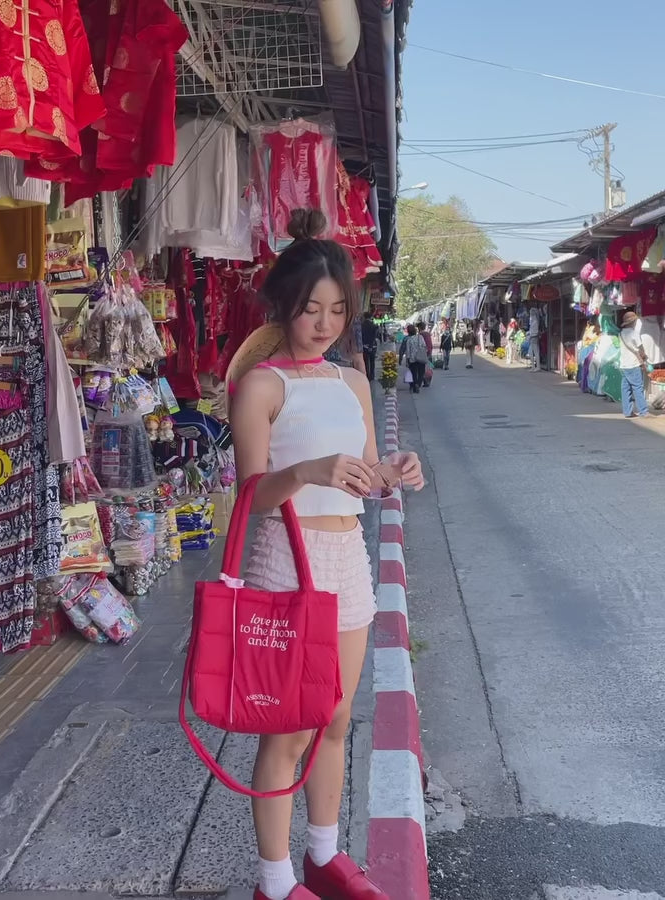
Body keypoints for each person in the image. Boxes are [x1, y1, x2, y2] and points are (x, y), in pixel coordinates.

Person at [229, 208, 425, 900]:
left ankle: (323, 856)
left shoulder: (351, 382)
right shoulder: (259, 385)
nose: (324, 323)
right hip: (286, 561)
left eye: (337, 310)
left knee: (337, 717)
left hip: (347, 561)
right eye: (311, 308)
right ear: (284, 305)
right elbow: (251, 496)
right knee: (288, 725)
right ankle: (275, 881)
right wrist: (309, 470)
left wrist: (392, 469)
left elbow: (364, 474)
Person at [619, 310, 650, 419]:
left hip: (623, 365)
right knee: (637, 387)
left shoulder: (621, 334)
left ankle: (628, 411)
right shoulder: (634, 333)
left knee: (626, 388)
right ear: (633, 322)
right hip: (633, 364)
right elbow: (640, 349)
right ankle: (643, 411)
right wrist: (645, 357)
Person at [399, 323, 427, 392]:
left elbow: (407, 351)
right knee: (421, 372)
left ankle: (415, 385)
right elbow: (424, 346)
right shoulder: (420, 337)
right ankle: (418, 384)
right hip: (421, 357)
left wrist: (406, 359)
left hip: (412, 359)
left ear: (408, 331)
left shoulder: (408, 340)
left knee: (414, 373)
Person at [360, 310, 378, 381]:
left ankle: (367, 375)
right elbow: (375, 336)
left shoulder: (362, 326)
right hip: (373, 346)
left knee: (365, 361)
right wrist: (371, 345)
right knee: (372, 361)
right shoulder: (374, 326)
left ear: (364, 317)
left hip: (364, 346)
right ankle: (372, 375)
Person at [528, 306, 540, 370]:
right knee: (531, 352)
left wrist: (530, 335)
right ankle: (533, 366)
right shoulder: (532, 320)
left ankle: (537, 366)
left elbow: (535, 331)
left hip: (534, 337)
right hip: (532, 337)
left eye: (530, 313)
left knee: (535, 352)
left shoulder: (535, 321)